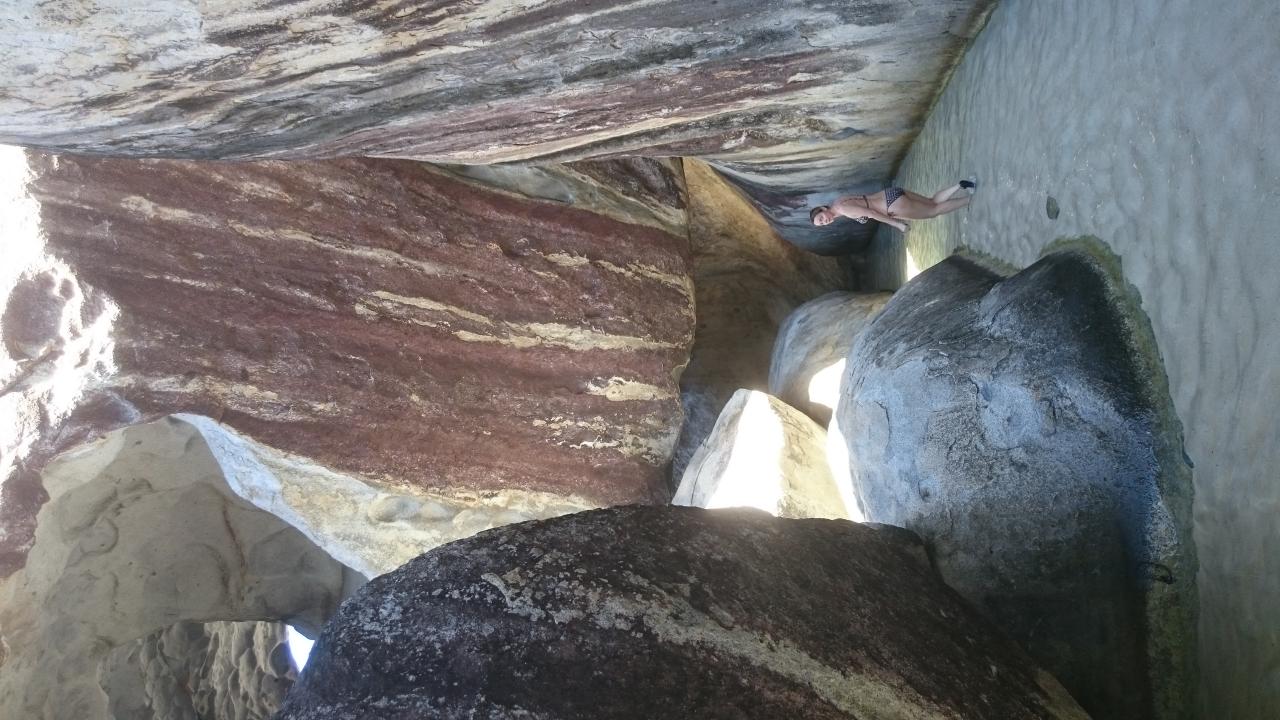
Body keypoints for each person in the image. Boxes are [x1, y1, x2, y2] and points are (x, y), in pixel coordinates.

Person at [809, 179, 976, 232]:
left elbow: (871, 213)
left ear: (823, 209)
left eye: (822, 218)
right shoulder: (839, 201)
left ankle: (969, 200)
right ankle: (960, 185)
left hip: (891, 207)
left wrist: (897, 224)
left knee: (933, 211)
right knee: (931, 201)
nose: (825, 221)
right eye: (822, 223)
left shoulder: (842, 209)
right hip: (890, 193)